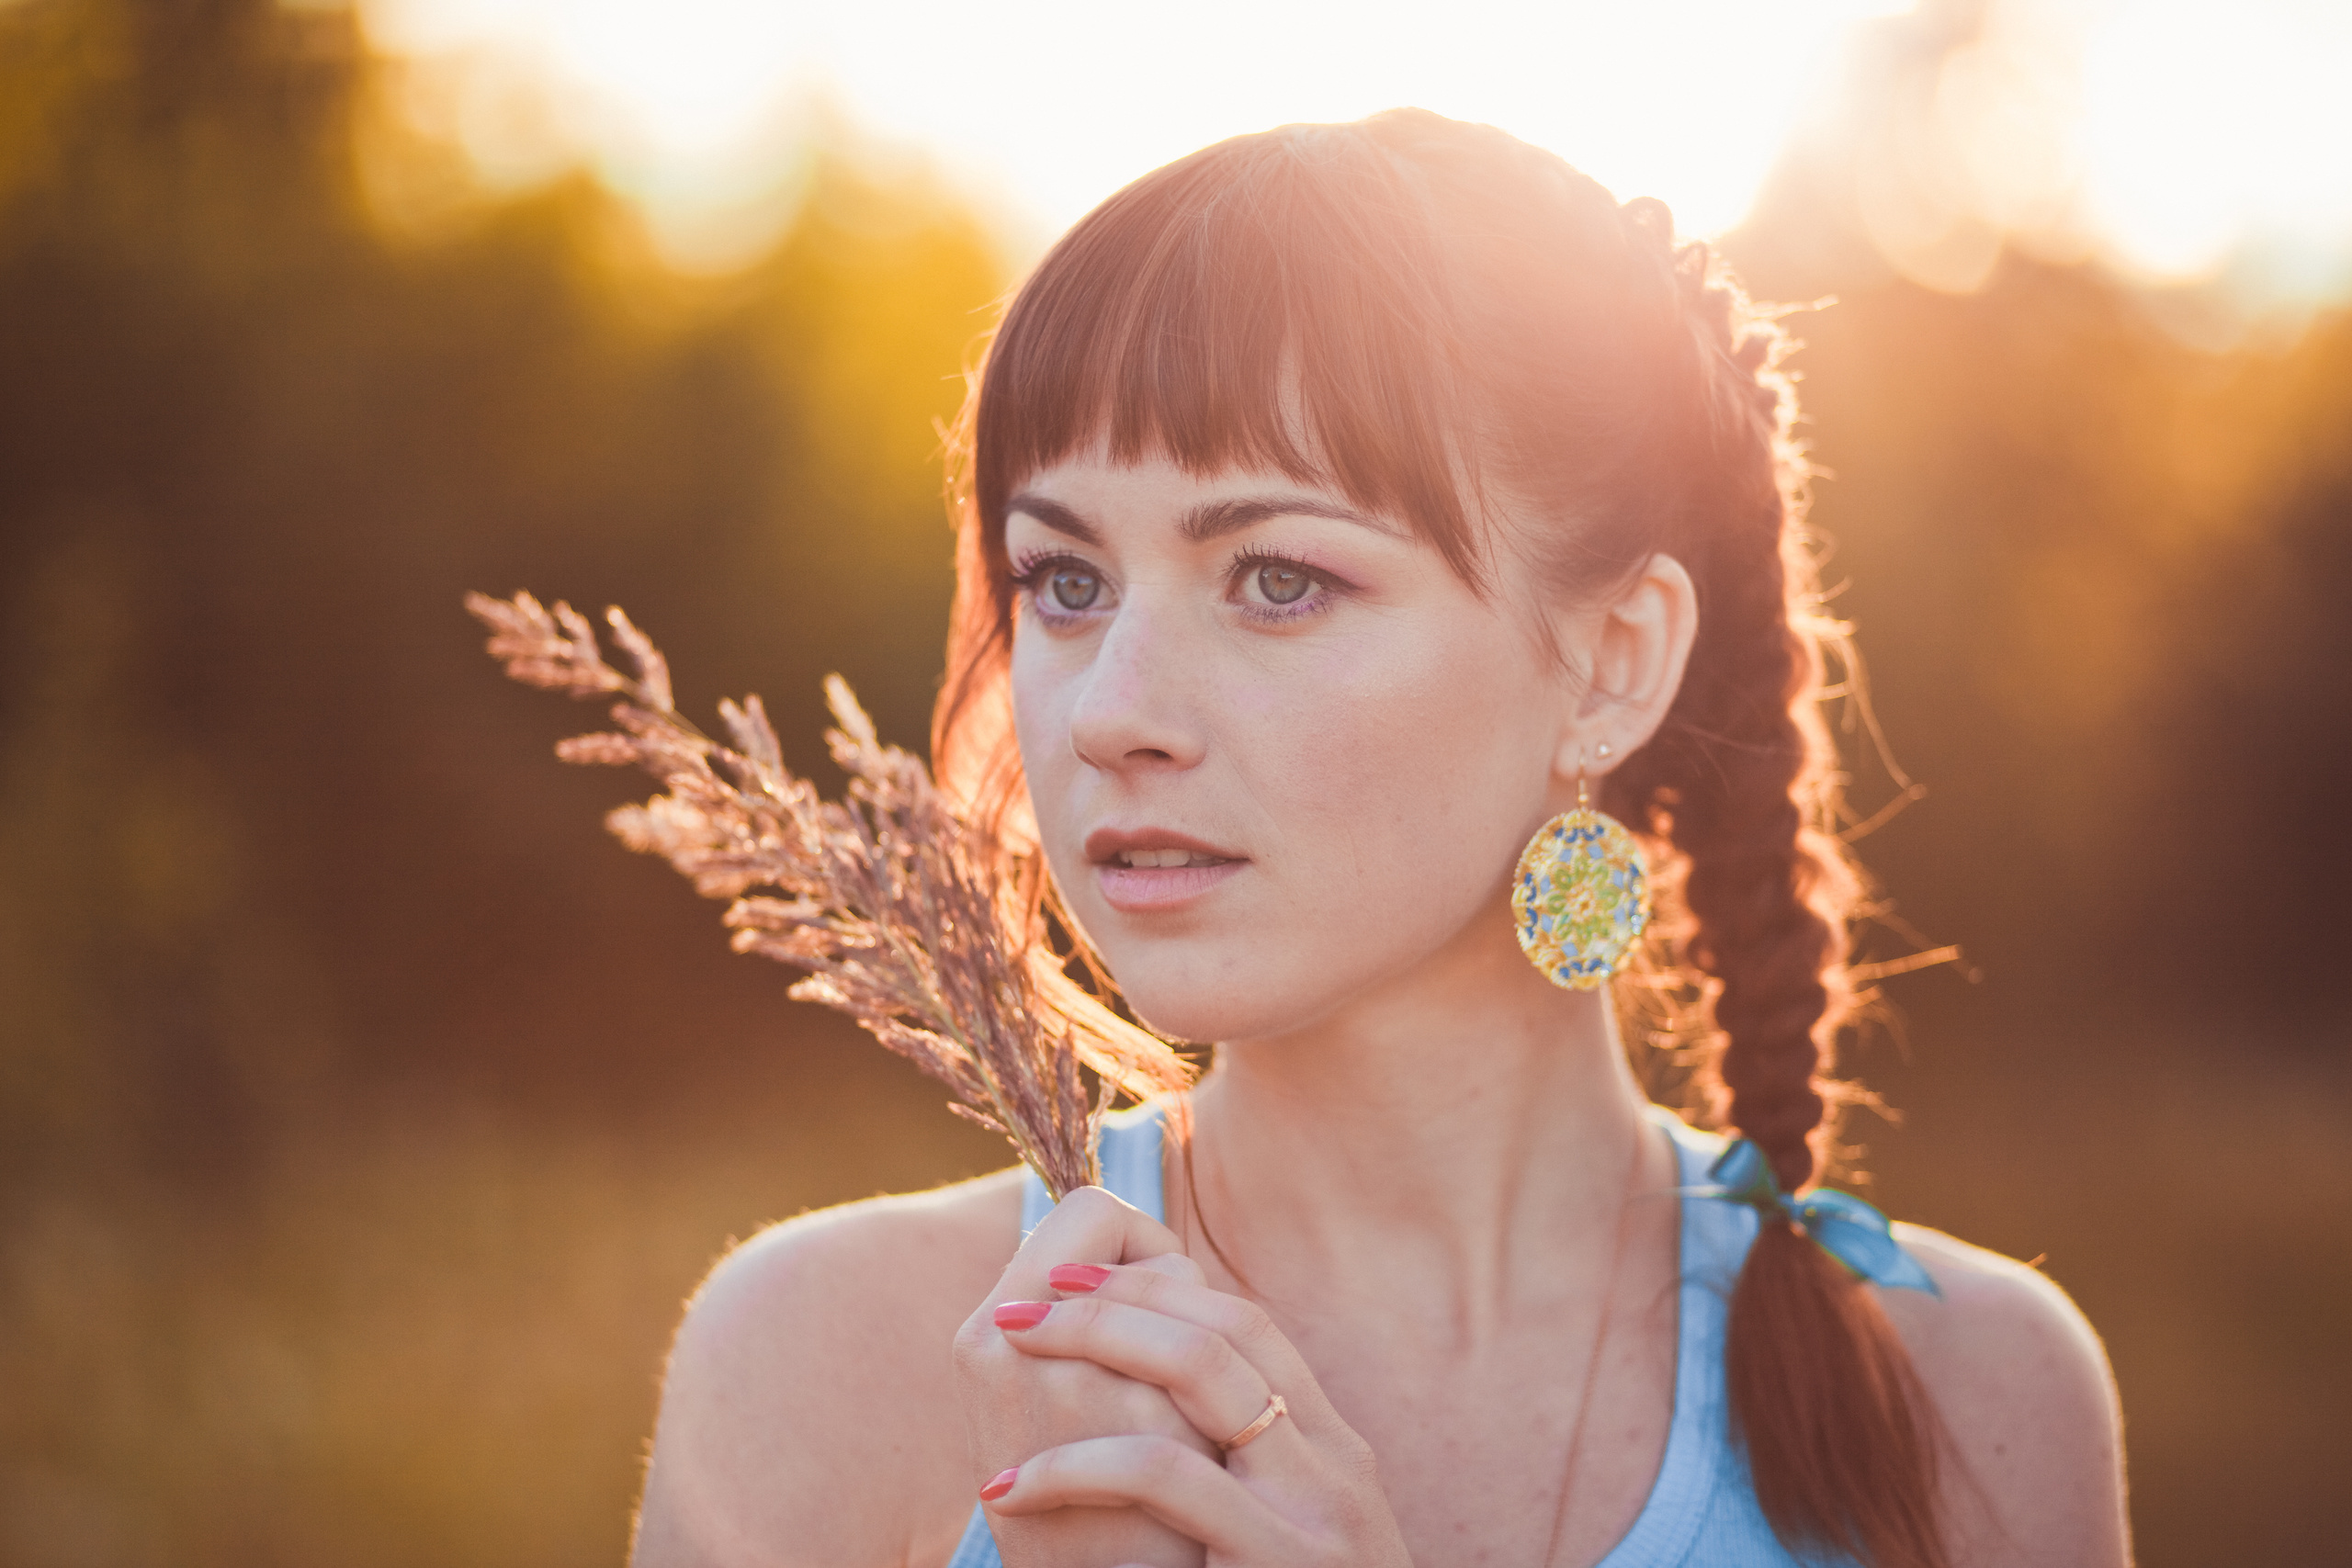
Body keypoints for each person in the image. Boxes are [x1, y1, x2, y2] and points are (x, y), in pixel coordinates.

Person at [628, 110, 2129, 1568]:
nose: (1110, 713)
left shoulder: (1978, 1400)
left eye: (1278, 579)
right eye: (1067, 581)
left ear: (1611, 663)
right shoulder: (831, 1364)